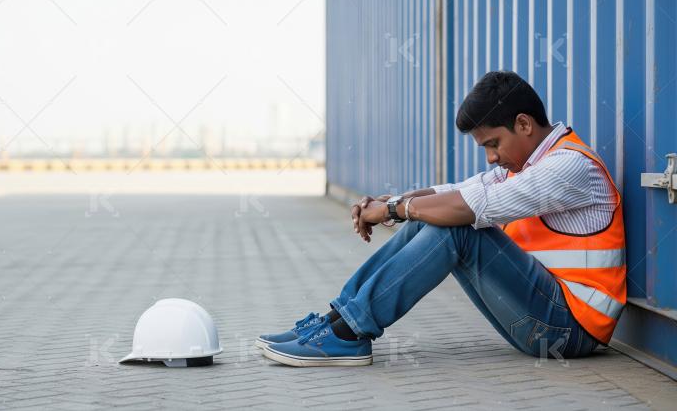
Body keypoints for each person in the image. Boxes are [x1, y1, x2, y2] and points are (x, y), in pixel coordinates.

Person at [257, 70, 626, 367]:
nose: (491, 159)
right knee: (429, 217)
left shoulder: (568, 167)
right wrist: (394, 202)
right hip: (546, 315)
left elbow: (469, 207)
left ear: (525, 125)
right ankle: (339, 321)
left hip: (568, 330)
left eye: (492, 144)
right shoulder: (528, 164)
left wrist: (390, 210)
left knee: (457, 230)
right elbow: (455, 191)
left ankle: (350, 332)